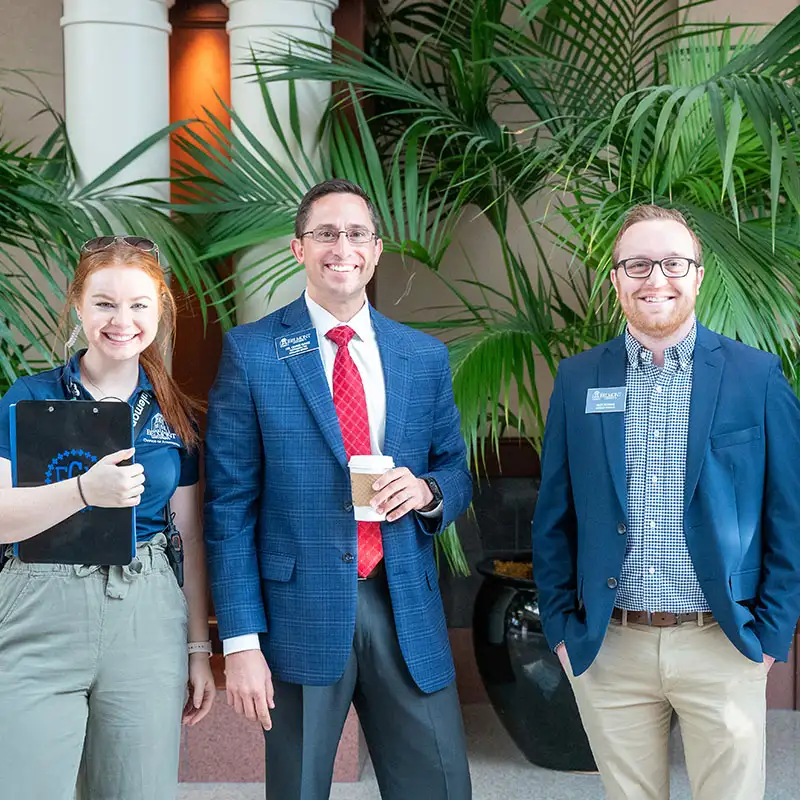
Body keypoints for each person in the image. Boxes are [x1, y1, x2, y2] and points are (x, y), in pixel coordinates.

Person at [204, 179, 473, 799]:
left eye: (356, 234)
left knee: (440, 787)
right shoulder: (253, 352)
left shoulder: (422, 356)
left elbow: (455, 471)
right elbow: (229, 507)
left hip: (402, 599)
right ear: (299, 248)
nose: (341, 246)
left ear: (376, 250)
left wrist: (429, 491)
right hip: (297, 613)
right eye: (325, 233)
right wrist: (240, 642)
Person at [532, 204, 800, 800]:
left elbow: (791, 511)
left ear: (699, 274)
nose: (657, 279)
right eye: (638, 265)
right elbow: (555, 514)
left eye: (673, 263)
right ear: (616, 281)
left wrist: (771, 636)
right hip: (612, 647)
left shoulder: (754, 376)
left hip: (724, 642)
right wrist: (561, 629)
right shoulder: (578, 379)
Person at [0, 236, 215, 800]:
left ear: (159, 310)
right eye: (104, 303)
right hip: (39, 605)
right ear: (77, 304)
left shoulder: (173, 412)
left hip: (145, 612)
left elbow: (188, 535)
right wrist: (83, 490)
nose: (122, 321)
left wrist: (198, 649)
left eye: (139, 305)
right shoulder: (29, 398)